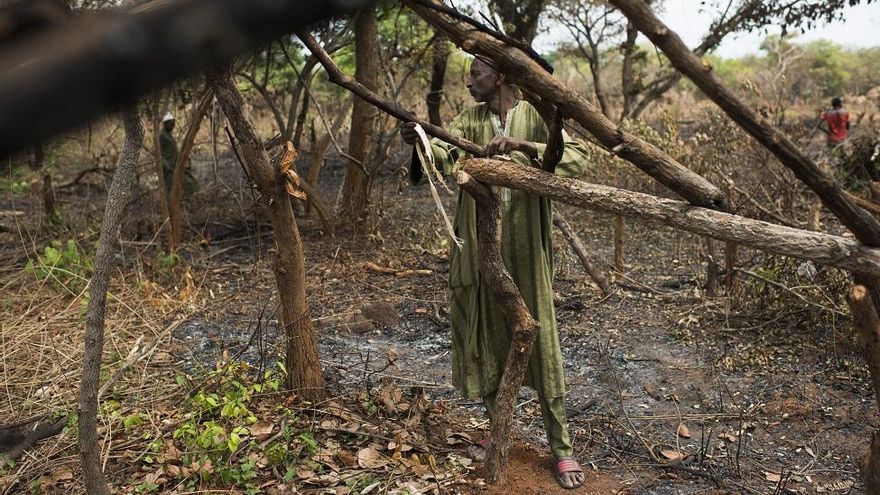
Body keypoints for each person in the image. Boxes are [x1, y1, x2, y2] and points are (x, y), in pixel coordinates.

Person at [400, 56, 589, 490]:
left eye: (475, 74)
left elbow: (578, 157)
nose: (468, 83)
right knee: (485, 330)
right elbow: (443, 154)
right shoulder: (468, 119)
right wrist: (420, 141)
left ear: (501, 75)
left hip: (526, 243)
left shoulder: (537, 117)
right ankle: (498, 430)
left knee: (539, 336)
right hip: (478, 244)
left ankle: (561, 449)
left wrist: (523, 147)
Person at [159, 112, 197, 196]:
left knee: (189, 181)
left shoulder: (168, 135)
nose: (172, 126)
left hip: (175, 164)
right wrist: (166, 165)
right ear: (165, 124)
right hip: (168, 168)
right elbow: (159, 154)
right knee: (170, 187)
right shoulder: (162, 136)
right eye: (171, 124)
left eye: (173, 123)